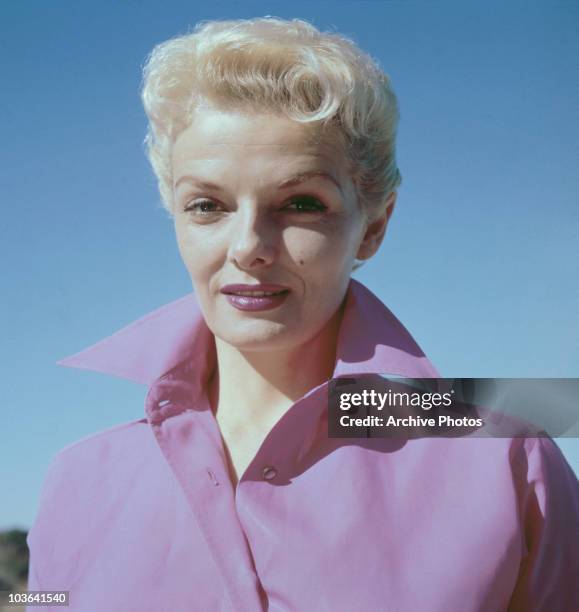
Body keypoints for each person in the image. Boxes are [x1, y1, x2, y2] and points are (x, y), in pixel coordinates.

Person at [26, 17, 579, 612]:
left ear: (374, 225)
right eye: (208, 205)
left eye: (300, 204)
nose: (247, 247)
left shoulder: (503, 452)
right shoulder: (75, 480)